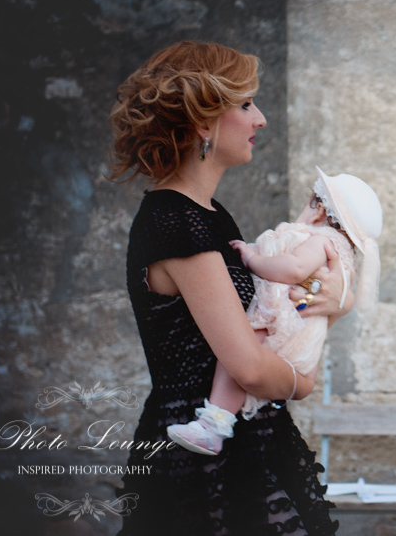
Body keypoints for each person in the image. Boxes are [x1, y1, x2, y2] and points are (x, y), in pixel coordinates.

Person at [108, 41, 343, 535]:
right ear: (203, 122)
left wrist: (331, 303)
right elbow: (250, 369)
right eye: (246, 104)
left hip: (243, 440)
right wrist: (302, 383)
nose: (261, 119)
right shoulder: (175, 221)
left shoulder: (210, 216)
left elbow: (274, 318)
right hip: (203, 458)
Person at [167, 168, 382, 455]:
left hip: (281, 323)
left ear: (319, 210)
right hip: (301, 338)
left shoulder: (322, 240)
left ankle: (214, 426)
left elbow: (294, 269)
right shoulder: (343, 259)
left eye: (308, 204)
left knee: (238, 356)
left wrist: (253, 259)